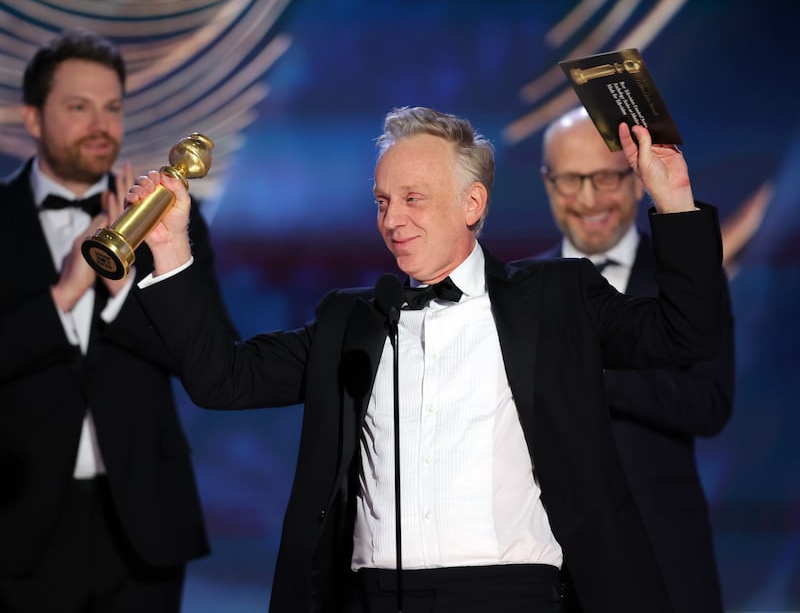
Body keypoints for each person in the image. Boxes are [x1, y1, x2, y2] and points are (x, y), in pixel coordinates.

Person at [131, 106, 725, 613]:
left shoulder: (556, 299)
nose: (391, 220)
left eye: (413, 199)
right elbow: (222, 379)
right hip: (375, 596)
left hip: (514, 595)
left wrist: (673, 200)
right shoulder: (351, 320)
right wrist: (170, 247)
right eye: (383, 201)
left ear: (472, 203)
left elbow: (684, 335)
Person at [0, 30, 237, 612]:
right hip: (15, 520)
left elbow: (209, 357)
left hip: (143, 523)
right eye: (78, 107)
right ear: (32, 117)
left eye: (112, 108)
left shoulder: (171, 221)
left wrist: (122, 288)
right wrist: (63, 293)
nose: (100, 124)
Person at [521, 106, 733, 613]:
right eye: (572, 180)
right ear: (548, 184)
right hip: (547, 562)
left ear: (637, 180)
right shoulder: (520, 291)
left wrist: (587, 373)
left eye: (607, 178)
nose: (589, 199)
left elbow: (710, 403)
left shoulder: (684, 280)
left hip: (663, 553)